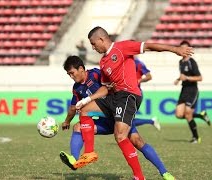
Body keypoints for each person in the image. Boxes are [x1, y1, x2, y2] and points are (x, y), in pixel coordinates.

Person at [74, 26, 193, 180]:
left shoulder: (122, 47)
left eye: (93, 43)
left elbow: (149, 46)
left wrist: (175, 49)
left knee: (120, 136)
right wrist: (88, 99)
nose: (92, 47)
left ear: (101, 39)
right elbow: (106, 88)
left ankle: (140, 176)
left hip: (128, 96)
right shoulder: (103, 62)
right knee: (85, 110)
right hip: (114, 98)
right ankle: (89, 152)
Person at [59, 55, 174, 179]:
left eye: (72, 73)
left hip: (119, 114)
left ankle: (164, 173)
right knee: (78, 127)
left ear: (81, 69)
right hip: (106, 122)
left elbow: (108, 88)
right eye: (68, 74)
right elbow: (73, 108)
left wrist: (90, 99)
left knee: (138, 141)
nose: (71, 76)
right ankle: (75, 159)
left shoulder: (96, 74)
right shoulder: (77, 88)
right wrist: (66, 121)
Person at [173, 40, 211, 144]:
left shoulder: (192, 62)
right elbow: (183, 75)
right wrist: (178, 79)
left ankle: (196, 137)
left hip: (192, 90)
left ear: (189, 50)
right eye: (182, 48)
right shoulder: (181, 62)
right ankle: (201, 115)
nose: (183, 50)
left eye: (185, 48)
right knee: (179, 114)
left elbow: (200, 78)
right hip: (184, 90)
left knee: (188, 114)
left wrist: (186, 78)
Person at [132, 57, 160, 130]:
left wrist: (139, 80)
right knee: (125, 119)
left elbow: (149, 76)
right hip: (123, 92)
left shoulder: (138, 63)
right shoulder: (121, 60)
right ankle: (151, 121)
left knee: (127, 119)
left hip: (135, 93)